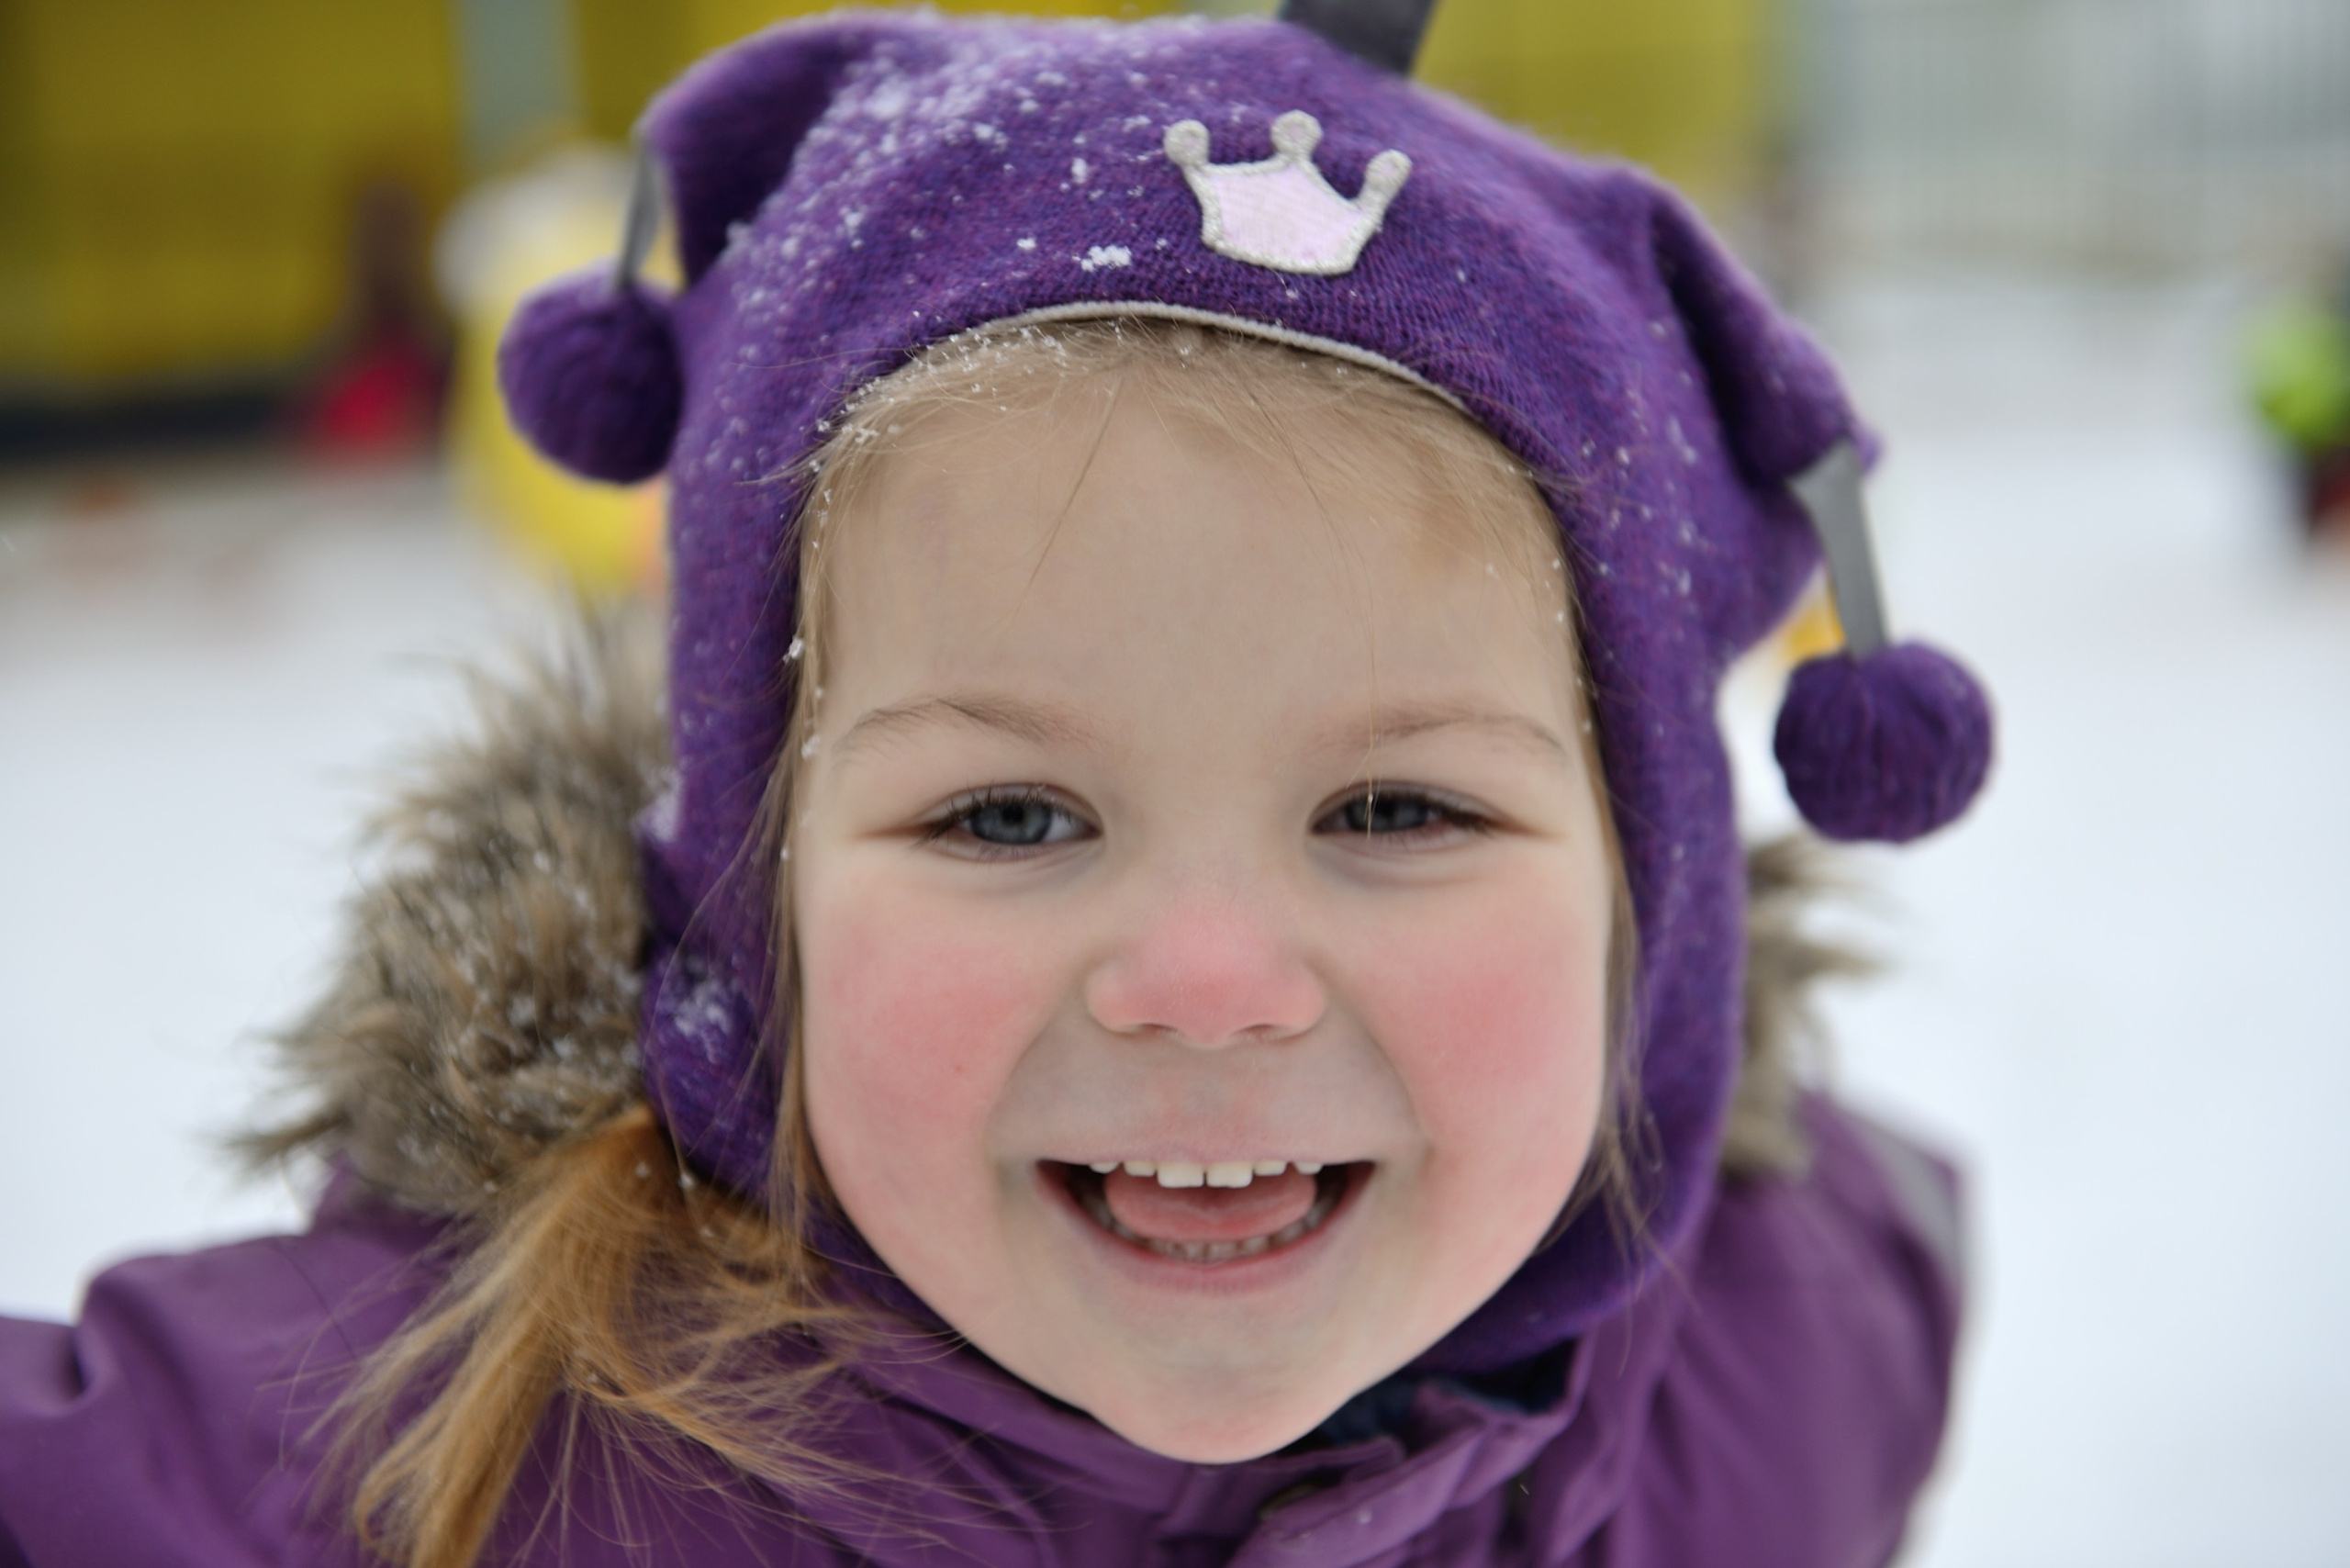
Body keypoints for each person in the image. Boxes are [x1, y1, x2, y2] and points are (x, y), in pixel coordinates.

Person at [0, 7, 1995, 1565]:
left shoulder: (1782, 1345)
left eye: (1393, 809)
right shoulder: (421, 1453)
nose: (1208, 979)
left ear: (1648, 906)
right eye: (1009, 815)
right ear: (747, 886)